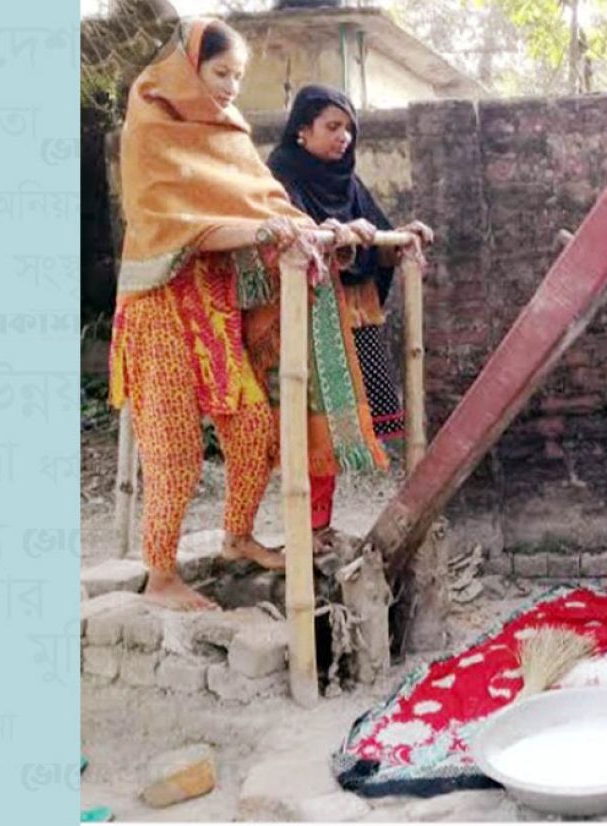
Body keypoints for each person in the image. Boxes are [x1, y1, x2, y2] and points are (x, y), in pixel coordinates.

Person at [109, 17, 375, 610]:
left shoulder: (227, 133)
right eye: (221, 72)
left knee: (253, 428)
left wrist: (325, 229)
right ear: (189, 69)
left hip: (211, 306)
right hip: (159, 307)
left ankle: (235, 538)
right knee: (174, 452)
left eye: (239, 75)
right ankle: (160, 577)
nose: (232, 87)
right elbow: (175, 222)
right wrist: (262, 229)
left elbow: (269, 204)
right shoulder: (150, 127)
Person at [265, 84, 433, 544]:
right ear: (303, 129)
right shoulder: (280, 173)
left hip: (357, 314)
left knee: (347, 419)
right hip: (312, 319)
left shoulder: (347, 179)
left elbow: (375, 233)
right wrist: (335, 232)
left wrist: (398, 236)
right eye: (332, 127)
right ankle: (308, 529)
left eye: (349, 129)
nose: (343, 138)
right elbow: (295, 231)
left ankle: (322, 525)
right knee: (317, 422)